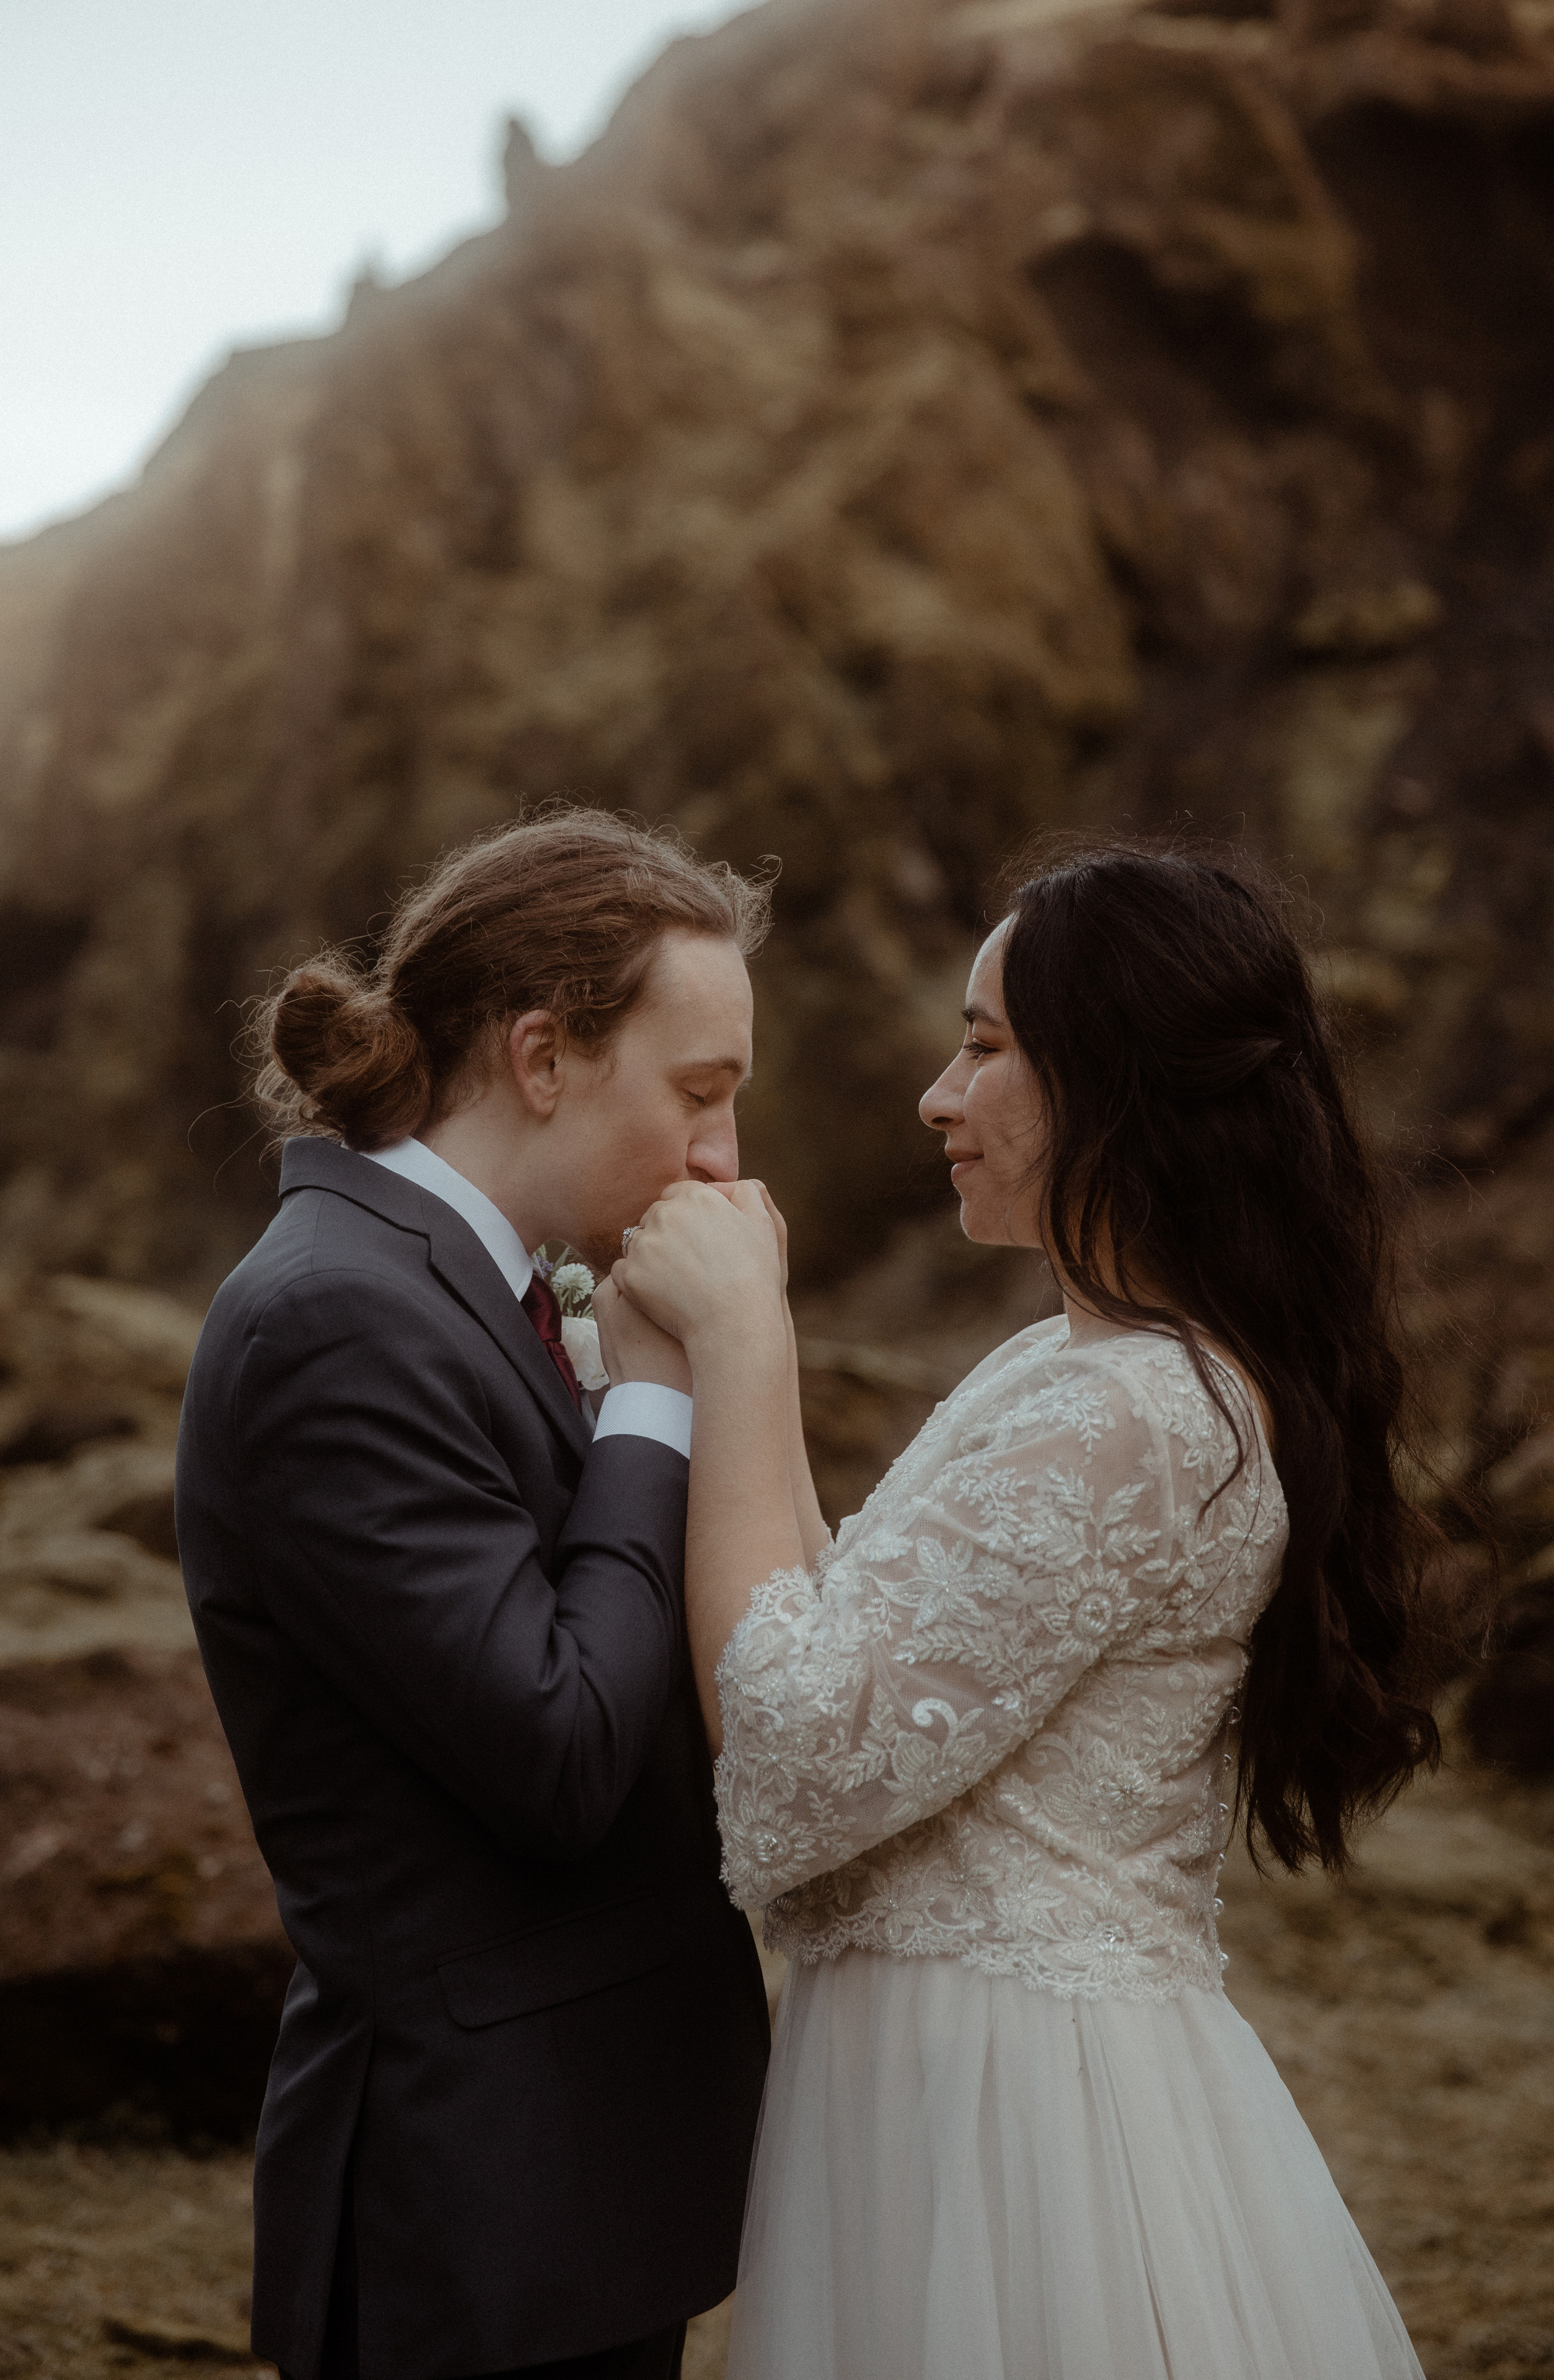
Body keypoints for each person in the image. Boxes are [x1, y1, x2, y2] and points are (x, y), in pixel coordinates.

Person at [615, 845, 1442, 2380]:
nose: (938, 1096)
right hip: (932, 2072)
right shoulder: (1061, 1369)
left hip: (1023, 2115)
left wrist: (739, 1343)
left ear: (1120, 1086)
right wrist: (732, 1366)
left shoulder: (1139, 1412)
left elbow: (797, 1751)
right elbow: (831, 1616)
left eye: (986, 1048)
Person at [174, 810, 774, 2380]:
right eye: (698, 1096)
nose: (722, 1158)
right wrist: (650, 1398)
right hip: (473, 2217)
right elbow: (561, 1747)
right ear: (541, 1055)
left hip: (575, 2178)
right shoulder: (335, 1321)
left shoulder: (486, 1288)